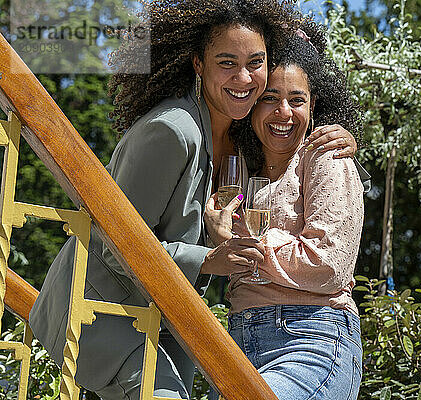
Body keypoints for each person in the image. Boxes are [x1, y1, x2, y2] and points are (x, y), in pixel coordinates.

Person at [29, 1, 358, 398]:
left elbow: (311, 189)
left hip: (172, 324)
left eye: (256, 62)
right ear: (197, 63)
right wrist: (208, 259)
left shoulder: (241, 145)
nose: (244, 77)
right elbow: (115, 243)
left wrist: (342, 139)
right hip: (103, 312)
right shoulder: (172, 131)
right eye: (226, 62)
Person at [205, 22, 364, 400]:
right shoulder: (236, 166)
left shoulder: (326, 156)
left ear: (315, 106)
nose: (284, 112)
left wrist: (243, 247)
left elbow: (328, 264)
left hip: (313, 340)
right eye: (270, 98)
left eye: (297, 100)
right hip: (238, 343)